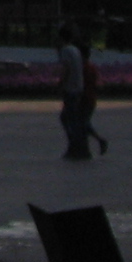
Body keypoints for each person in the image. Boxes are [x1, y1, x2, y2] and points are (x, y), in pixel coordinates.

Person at [57, 23, 91, 160]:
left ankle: (76, 147)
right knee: (70, 118)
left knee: (70, 119)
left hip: (70, 88)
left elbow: (66, 68)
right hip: (78, 87)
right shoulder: (76, 50)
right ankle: (78, 146)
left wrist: (61, 83)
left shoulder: (65, 50)